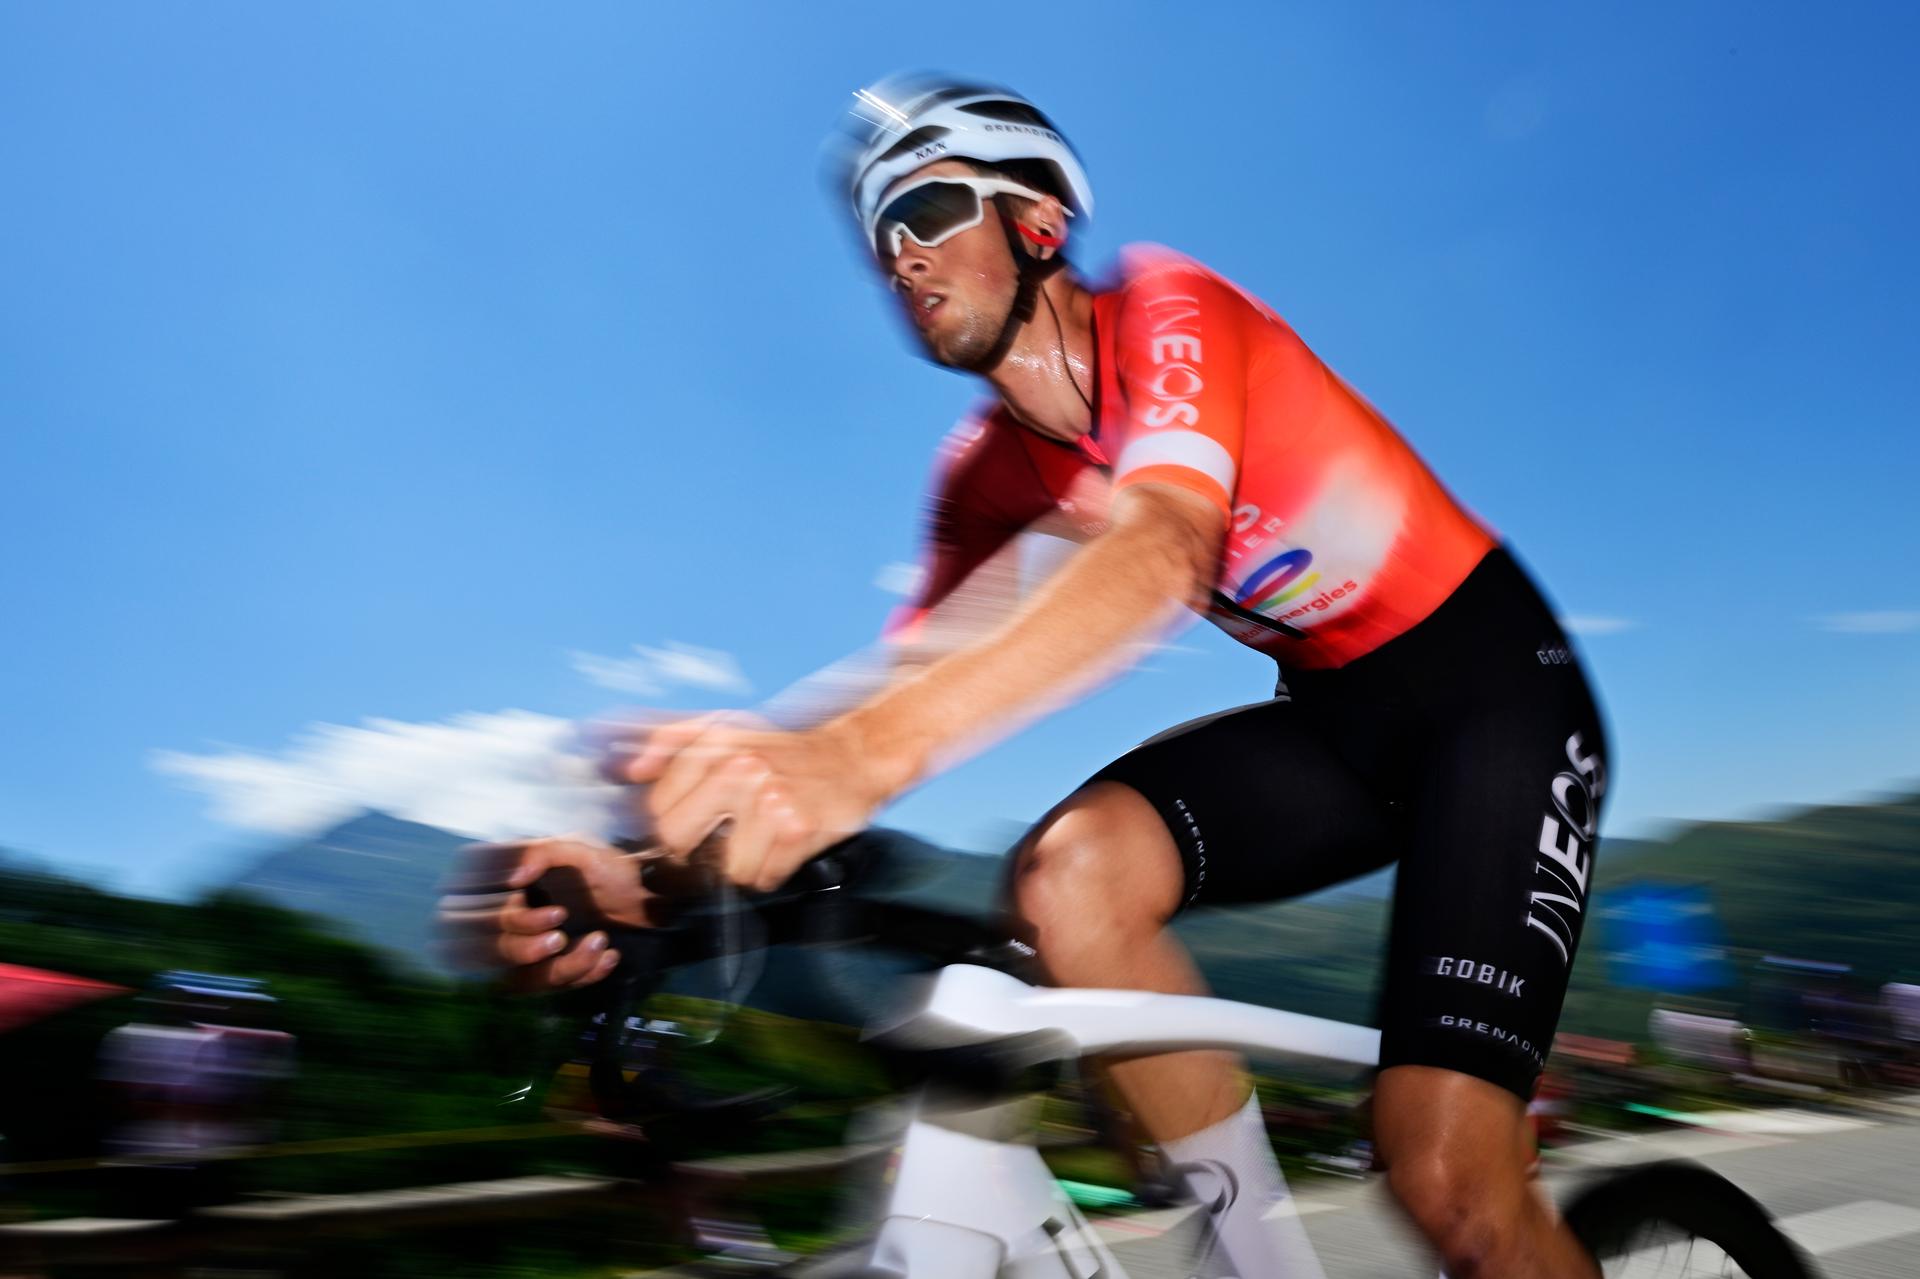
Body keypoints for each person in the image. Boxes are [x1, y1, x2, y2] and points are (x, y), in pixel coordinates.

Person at [442, 75, 1610, 1278]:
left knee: (1446, 1181)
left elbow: (1160, 548)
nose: (898, 252)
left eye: (930, 207)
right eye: (879, 234)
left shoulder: (1173, 307)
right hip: (1335, 723)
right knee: (1065, 878)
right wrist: (650, 873)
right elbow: (903, 684)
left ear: (1039, 223)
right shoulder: (986, 482)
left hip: (1496, 699)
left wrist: (849, 760)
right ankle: (1255, 1258)